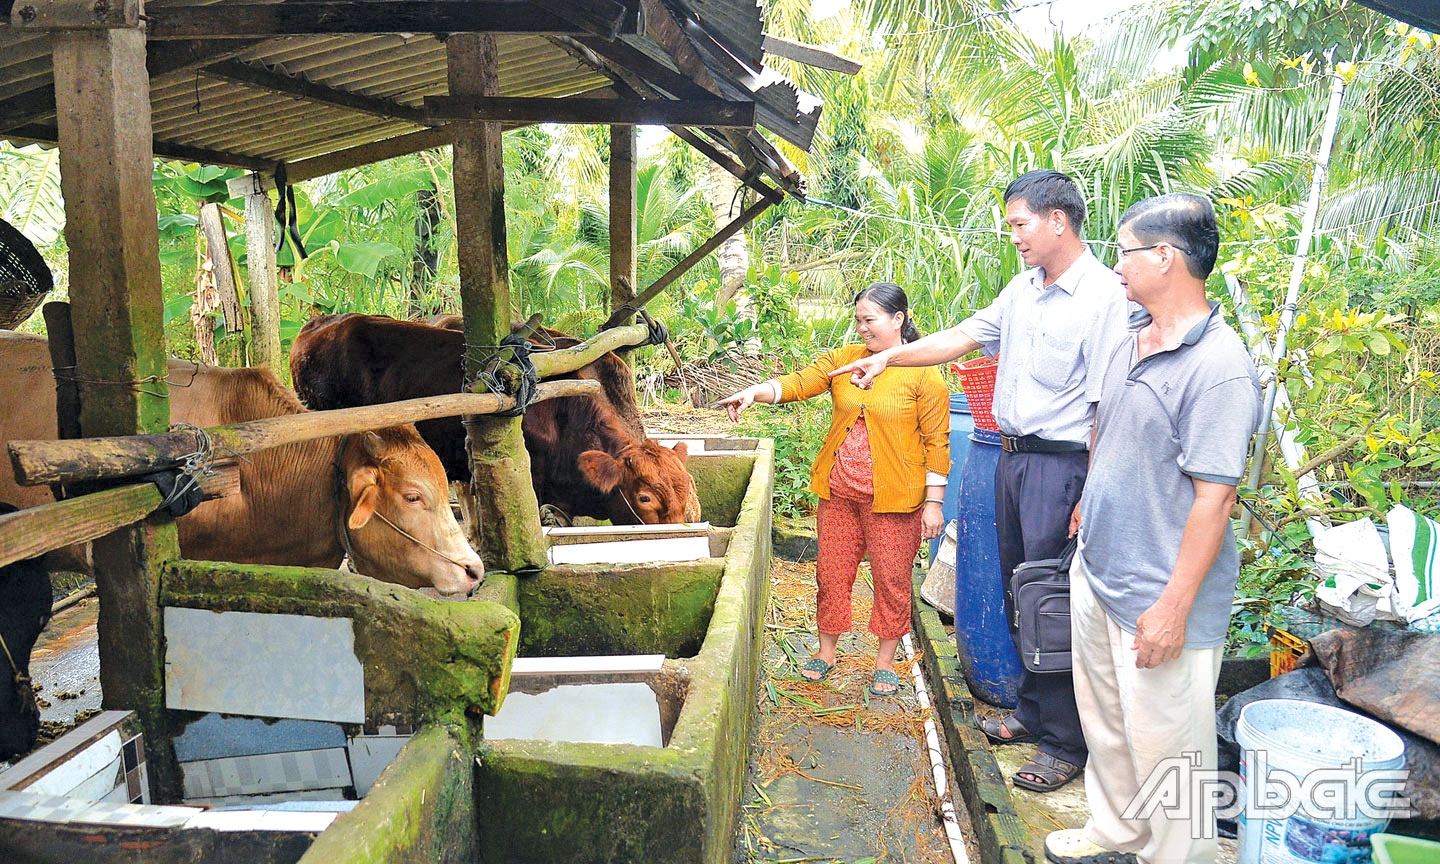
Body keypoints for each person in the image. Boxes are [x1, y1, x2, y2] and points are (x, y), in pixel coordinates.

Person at [830, 170, 1129, 792]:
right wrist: (888, 355)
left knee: (1055, 601)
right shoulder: (1022, 291)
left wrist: (1090, 493)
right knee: (1023, 592)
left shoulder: (1104, 297)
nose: (1013, 234)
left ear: (1057, 220)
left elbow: (1108, 406)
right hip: (1010, 458)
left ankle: (1064, 743)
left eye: (1020, 223)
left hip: (1064, 464)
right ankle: (1032, 710)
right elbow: (962, 338)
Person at [1043, 194, 1261, 864]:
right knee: (1108, 727)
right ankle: (1116, 834)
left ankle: (1178, 856)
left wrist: (1172, 608)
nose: (1115, 267)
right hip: (1101, 569)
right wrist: (1090, 503)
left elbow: (1215, 499)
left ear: (1164, 257)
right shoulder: (1130, 332)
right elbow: (1107, 425)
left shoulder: (1220, 367)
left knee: (1172, 751)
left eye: (1125, 251)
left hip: (1160, 594)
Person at [717, 283, 948, 695]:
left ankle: (885, 662)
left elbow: (937, 441)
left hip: (895, 501)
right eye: (857, 320)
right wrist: (756, 392)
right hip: (839, 493)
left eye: (870, 320)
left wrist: (934, 503)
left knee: (892, 580)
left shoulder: (924, 372)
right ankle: (826, 653)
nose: (862, 329)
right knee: (832, 575)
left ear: (899, 319)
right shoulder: (846, 360)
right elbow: (800, 383)